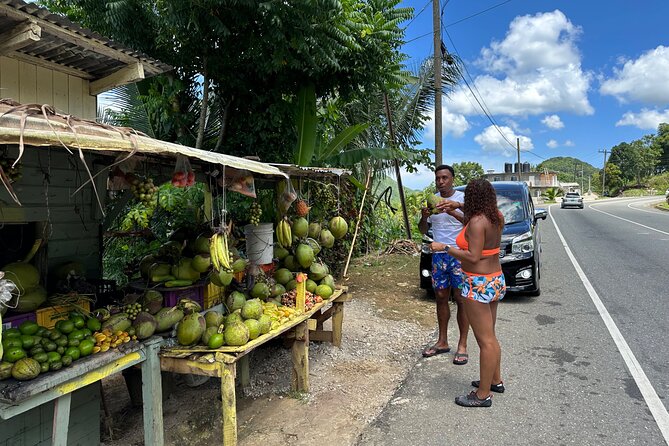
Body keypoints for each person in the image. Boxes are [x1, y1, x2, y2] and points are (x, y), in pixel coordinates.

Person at [428, 179, 506, 408]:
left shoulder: (476, 222)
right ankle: (495, 381)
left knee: (485, 341)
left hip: (477, 282)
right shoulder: (495, 216)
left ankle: (482, 395)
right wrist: (455, 210)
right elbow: (473, 227)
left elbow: (472, 255)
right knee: (490, 335)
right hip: (495, 279)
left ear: (471, 198)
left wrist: (444, 247)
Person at [418, 165, 470, 365]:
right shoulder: (432, 200)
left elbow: (472, 223)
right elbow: (423, 229)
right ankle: (442, 341)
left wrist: (453, 209)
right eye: (438, 178)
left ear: (452, 179)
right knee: (440, 297)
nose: (441, 182)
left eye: (445, 178)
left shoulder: (462, 199)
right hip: (439, 255)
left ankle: (462, 345)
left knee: (461, 299)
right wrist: (424, 217)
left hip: (459, 254)